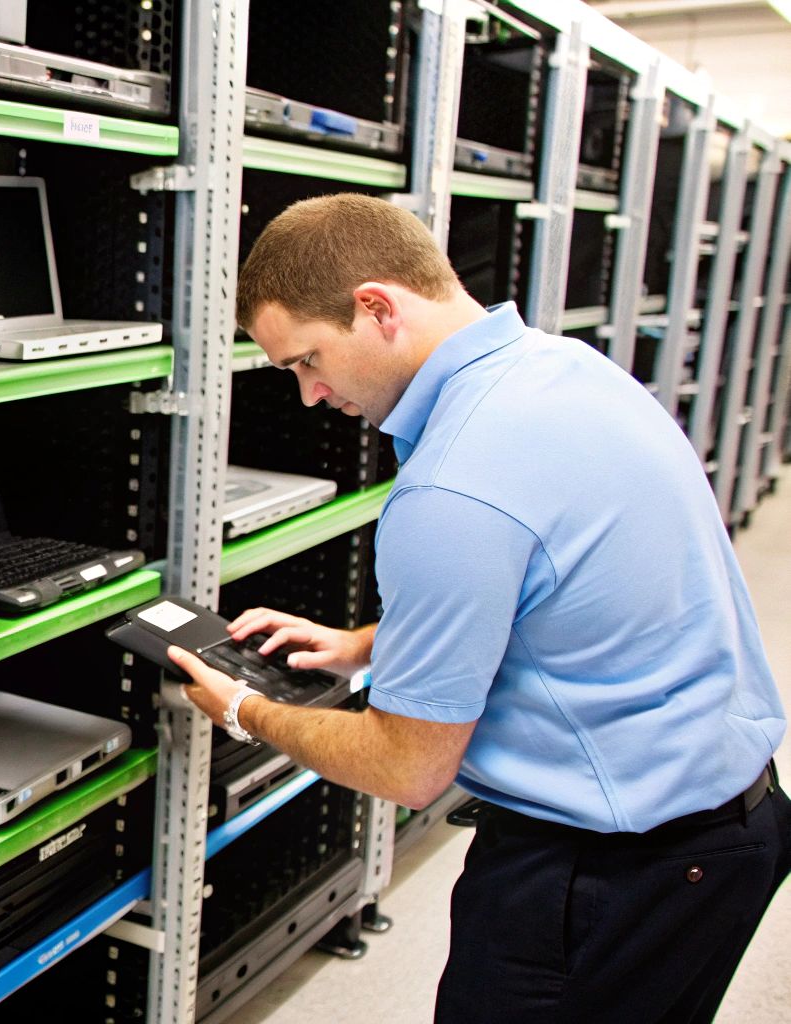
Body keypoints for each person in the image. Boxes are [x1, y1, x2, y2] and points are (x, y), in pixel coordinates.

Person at [165, 193, 790, 1022]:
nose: (311, 395)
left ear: (377, 307)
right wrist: (363, 647)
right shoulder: (567, 370)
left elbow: (408, 766)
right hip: (724, 825)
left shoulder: (454, 484)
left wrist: (248, 709)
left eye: (306, 361)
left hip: (614, 870)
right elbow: (567, 600)